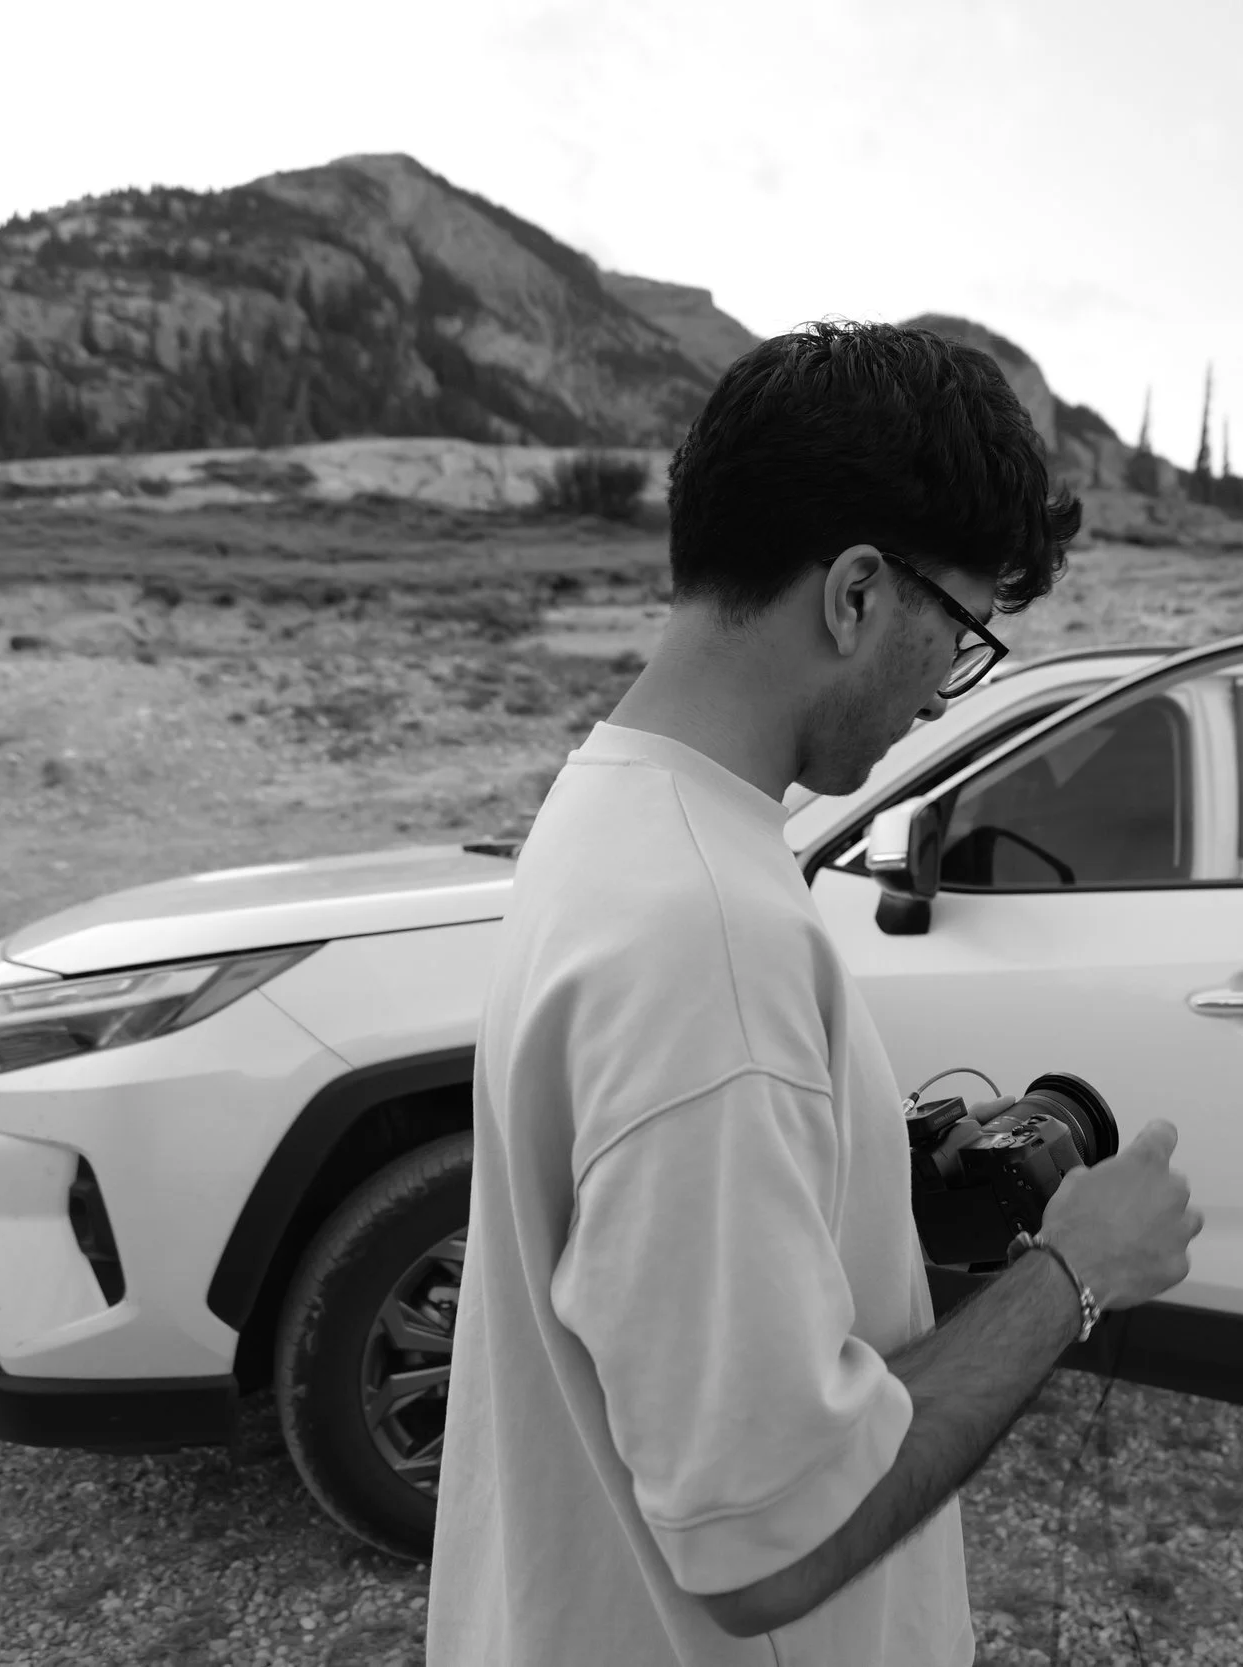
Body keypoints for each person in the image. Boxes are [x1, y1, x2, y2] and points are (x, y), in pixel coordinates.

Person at [425, 320, 1203, 1666]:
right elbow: (767, 1540)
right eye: (959, 633)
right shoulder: (705, 932)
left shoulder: (618, 805)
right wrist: (1080, 1269)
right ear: (855, 593)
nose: (941, 689)